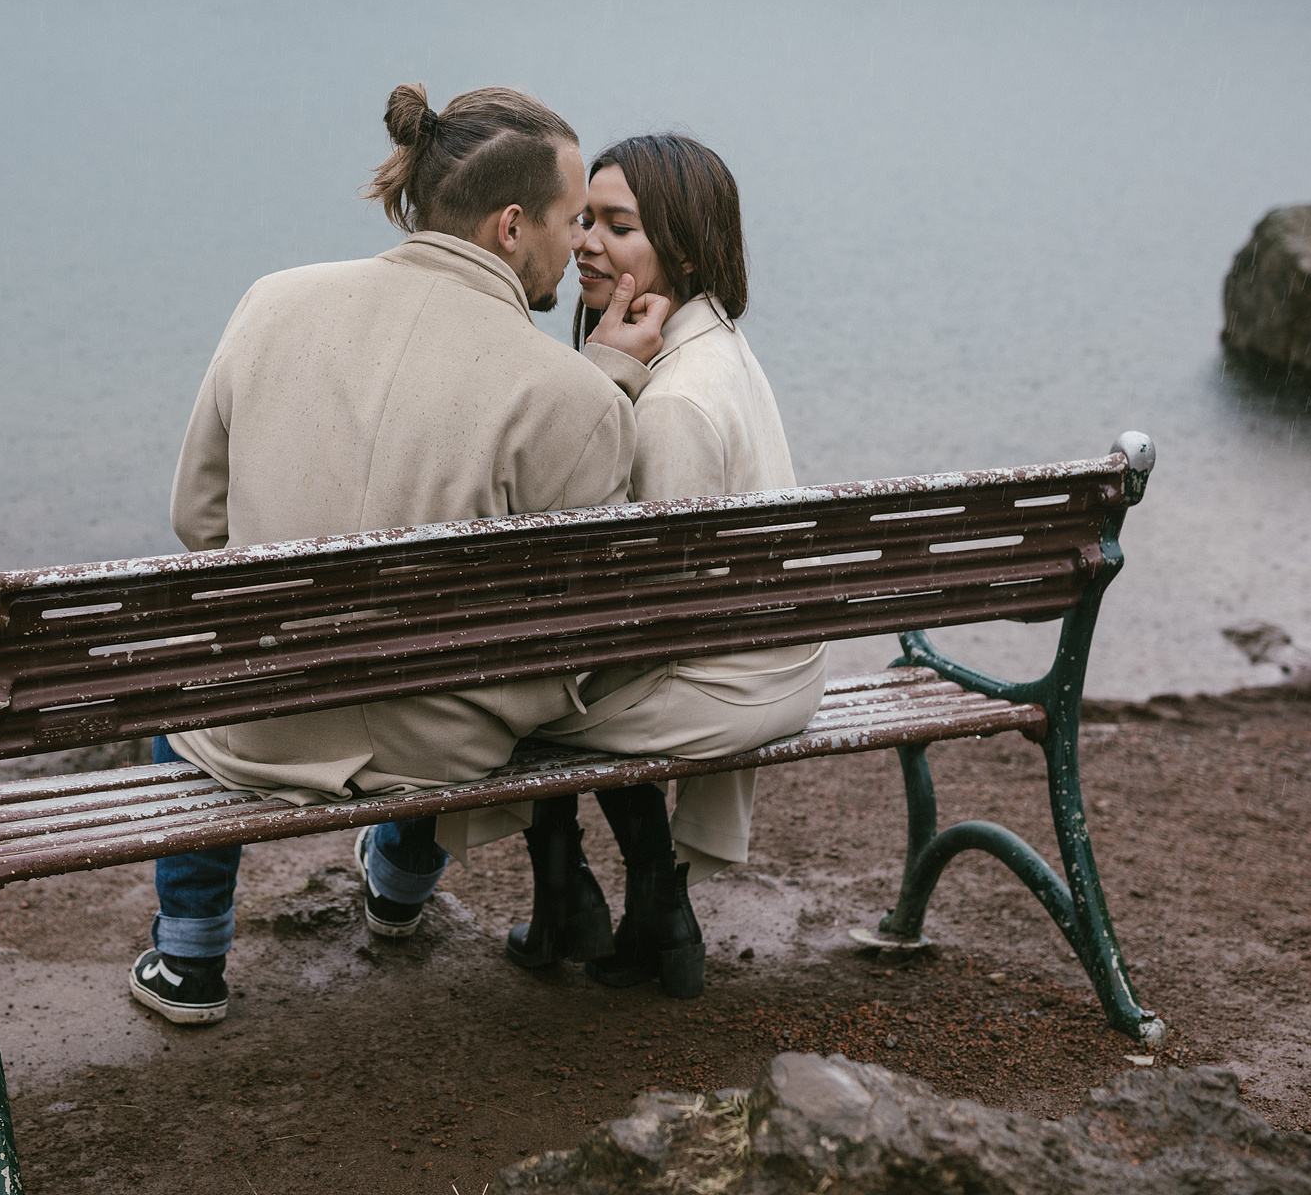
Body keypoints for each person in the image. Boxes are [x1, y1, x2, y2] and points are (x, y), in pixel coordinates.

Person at [130, 83, 668, 1026]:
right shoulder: (570, 393)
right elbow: (577, 606)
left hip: (263, 715)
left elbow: (199, 518)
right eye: (569, 218)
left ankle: (190, 961)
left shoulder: (273, 303)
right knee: (455, 654)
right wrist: (611, 380)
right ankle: (399, 887)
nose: (578, 242)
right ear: (511, 228)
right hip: (443, 742)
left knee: (192, 684)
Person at [502, 133, 825, 1000]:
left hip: (726, 685)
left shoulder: (675, 400)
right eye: (584, 221)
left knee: (498, 702)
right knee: (549, 674)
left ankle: (608, 896)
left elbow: (648, 620)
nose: (584, 244)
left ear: (679, 245)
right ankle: (629, 906)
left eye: (618, 225)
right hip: (775, 657)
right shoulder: (715, 344)